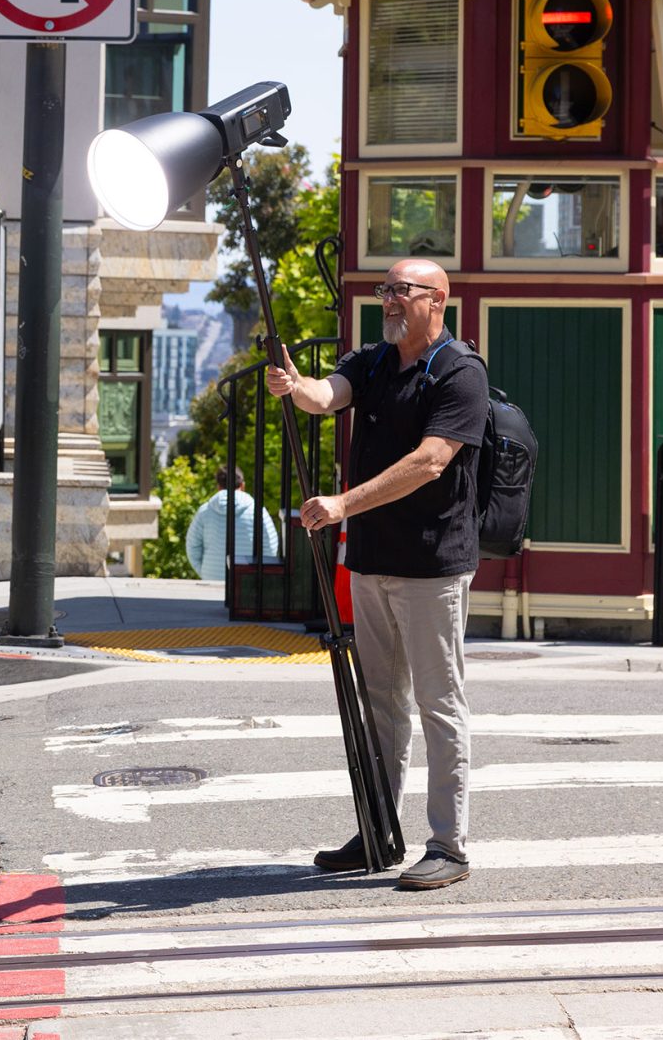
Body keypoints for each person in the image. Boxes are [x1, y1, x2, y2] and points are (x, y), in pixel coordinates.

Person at [264, 258, 488, 891]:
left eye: (402, 291)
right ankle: (380, 830)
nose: (389, 301)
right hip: (372, 562)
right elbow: (325, 397)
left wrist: (342, 505)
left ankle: (449, 845)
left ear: (437, 301)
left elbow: (429, 462)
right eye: (384, 290)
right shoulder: (372, 361)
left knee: (438, 703)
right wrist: (295, 384)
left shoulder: (460, 373)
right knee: (380, 705)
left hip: (431, 566)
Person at [184, 465, 282, 582]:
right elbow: (270, 546)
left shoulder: (205, 511)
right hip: (246, 581)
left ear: (218, 487)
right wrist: (257, 573)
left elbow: (192, 546)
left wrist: (205, 572)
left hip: (211, 579)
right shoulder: (257, 511)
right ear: (242, 485)